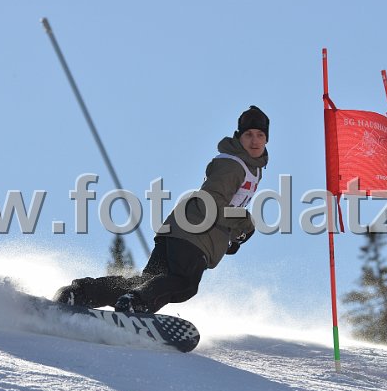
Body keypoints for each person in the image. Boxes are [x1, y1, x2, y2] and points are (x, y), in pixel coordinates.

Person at [53, 105, 270, 313]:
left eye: (260, 135)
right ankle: (136, 304)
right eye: (248, 135)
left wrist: (233, 234)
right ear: (239, 137)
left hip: (181, 229)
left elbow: (225, 204)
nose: (254, 141)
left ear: (267, 139)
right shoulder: (233, 164)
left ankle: (82, 293)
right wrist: (245, 223)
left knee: (148, 282)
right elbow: (211, 201)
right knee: (184, 282)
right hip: (194, 234)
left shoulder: (251, 168)